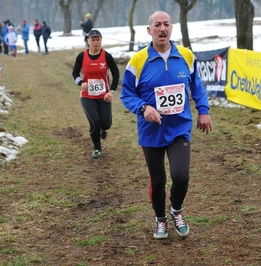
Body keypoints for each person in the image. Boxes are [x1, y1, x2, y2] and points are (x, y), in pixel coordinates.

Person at [120, 11, 213, 239]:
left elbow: (197, 86)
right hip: (151, 132)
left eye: (166, 24)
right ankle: (160, 218)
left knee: (181, 176)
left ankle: (177, 210)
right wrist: (144, 108)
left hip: (179, 128)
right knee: (158, 180)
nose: (162, 29)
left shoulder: (186, 56)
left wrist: (203, 110)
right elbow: (126, 94)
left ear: (172, 28)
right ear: (149, 30)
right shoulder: (138, 61)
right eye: (157, 25)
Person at [72, 29, 120, 159]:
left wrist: (111, 91)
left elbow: (116, 74)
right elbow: (74, 73)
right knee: (94, 122)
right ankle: (97, 148)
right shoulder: (81, 56)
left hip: (104, 96)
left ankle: (103, 129)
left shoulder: (107, 56)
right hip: (87, 96)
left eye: (98, 40)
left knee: (106, 124)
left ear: (101, 41)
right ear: (88, 41)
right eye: (93, 40)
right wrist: (81, 82)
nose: (95, 42)